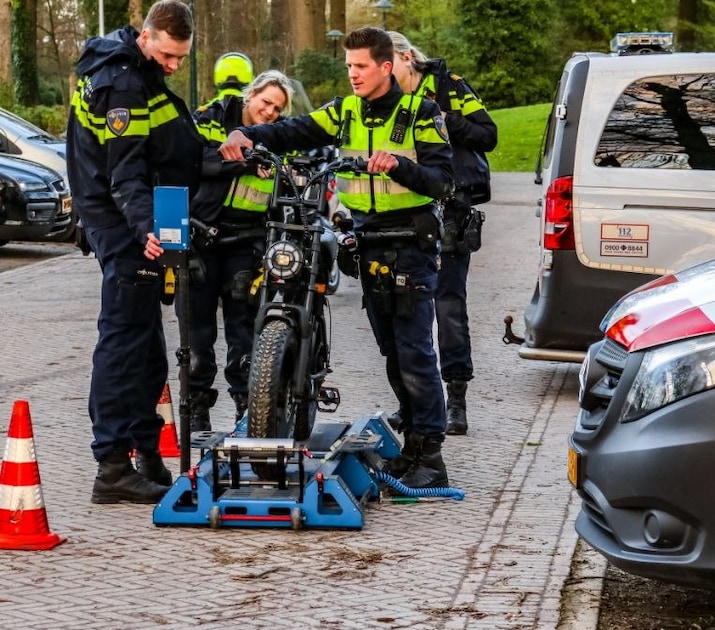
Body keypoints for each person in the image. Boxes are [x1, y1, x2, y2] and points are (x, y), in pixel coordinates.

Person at [218, 27, 455, 488]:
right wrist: (246, 133)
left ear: (386, 67)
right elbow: (293, 130)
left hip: (410, 243)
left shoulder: (420, 113)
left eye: (361, 66)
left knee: (414, 352)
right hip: (368, 241)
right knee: (391, 350)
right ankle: (412, 446)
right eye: (349, 66)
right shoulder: (345, 112)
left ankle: (430, 454)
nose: (353, 75)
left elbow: (444, 181)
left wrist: (401, 166)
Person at [66, 0, 204, 504]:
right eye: (167, 55)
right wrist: (148, 229)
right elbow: (124, 172)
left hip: (125, 223)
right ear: (146, 36)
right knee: (123, 345)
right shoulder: (123, 83)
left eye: (180, 58)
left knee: (147, 346)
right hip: (125, 231)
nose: (172, 65)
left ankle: (146, 452)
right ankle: (111, 465)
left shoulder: (125, 66)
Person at [388, 32, 497, 436]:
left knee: (448, 303)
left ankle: (456, 398)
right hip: (409, 211)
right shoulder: (386, 101)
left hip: (452, 208)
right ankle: (413, 401)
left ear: (404, 57)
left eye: (388, 63)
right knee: (404, 307)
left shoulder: (450, 87)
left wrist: (443, 119)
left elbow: (488, 134)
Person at [187, 70, 294, 431]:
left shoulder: (278, 136)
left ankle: (247, 410)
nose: (270, 113)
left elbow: (289, 182)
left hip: (246, 243)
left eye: (277, 109)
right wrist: (243, 164)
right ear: (250, 95)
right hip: (202, 239)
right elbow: (193, 161)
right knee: (197, 334)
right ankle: (197, 412)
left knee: (244, 332)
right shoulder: (210, 118)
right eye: (266, 102)